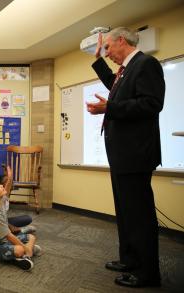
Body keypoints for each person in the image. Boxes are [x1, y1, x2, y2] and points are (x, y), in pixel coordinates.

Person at [86, 27, 164, 288]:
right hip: (122, 154)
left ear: (122, 41)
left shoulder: (146, 64)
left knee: (139, 216)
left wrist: (110, 107)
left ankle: (148, 273)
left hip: (135, 154)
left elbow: (152, 103)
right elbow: (115, 88)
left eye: (108, 48)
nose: (107, 53)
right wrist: (97, 61)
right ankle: (129, 260)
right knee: (126, 212)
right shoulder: (126, 71)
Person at [0, 179, 39, 271]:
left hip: (4, 240)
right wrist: (25, 248)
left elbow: (7, 191)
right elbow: (9, 236)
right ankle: (23, 254)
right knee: (19, 249)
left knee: (31, 237)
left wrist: (9, 178)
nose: (1, 185)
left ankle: (25, 254)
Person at [0, 166, 36, 235]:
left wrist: (8, 175)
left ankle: (12, 230)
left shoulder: (4, 196)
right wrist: (9, 177)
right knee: (3, 226)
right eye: (6, 182)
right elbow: (9, 183)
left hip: (4, 221)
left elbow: (8, 184)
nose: (10, 183)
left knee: (27, 218)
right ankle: (17, 231)